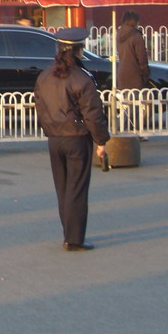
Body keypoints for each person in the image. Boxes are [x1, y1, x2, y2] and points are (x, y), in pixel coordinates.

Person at [33, 27, 110, 252]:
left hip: (54, 138)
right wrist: (101, 141)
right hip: (76, 139)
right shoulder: (82, 79)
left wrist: (49, 128)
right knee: (76, 189)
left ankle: (68, 233)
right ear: (79, 50)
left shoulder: (45, 76)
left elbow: (40, 106)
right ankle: (74, 239)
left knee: (63, 189)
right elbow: (93, 114)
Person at [116, 11, 150, 91]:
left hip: (122, 74)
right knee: (136, 101)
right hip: (135, 75)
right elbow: (142, 57)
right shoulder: (136, 36)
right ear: (136, 21)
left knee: (124, 102)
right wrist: (146, 73)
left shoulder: (119, 34)